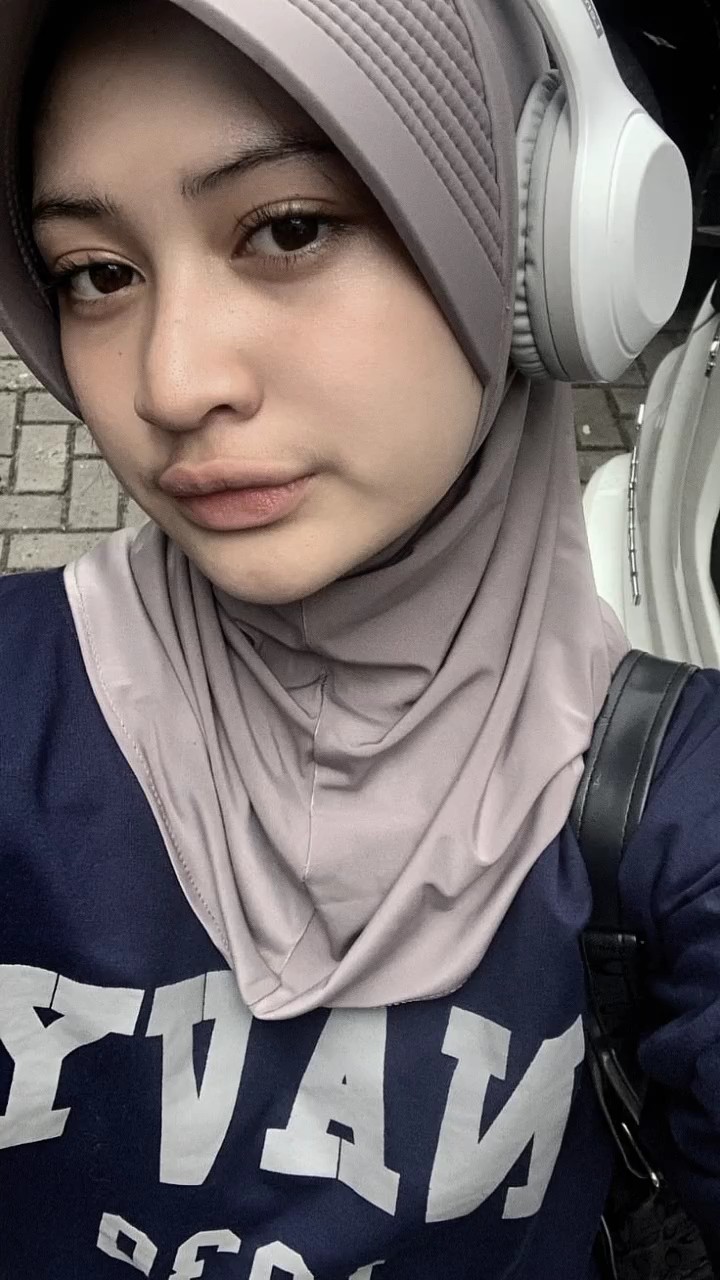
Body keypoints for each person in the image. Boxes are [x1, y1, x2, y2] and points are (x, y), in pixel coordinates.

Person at [0, 0, 716, 1276]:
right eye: (96, 274)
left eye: (287, 228)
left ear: (535, 253)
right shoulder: (19, 709)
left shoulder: (674, 820)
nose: (172, 383)